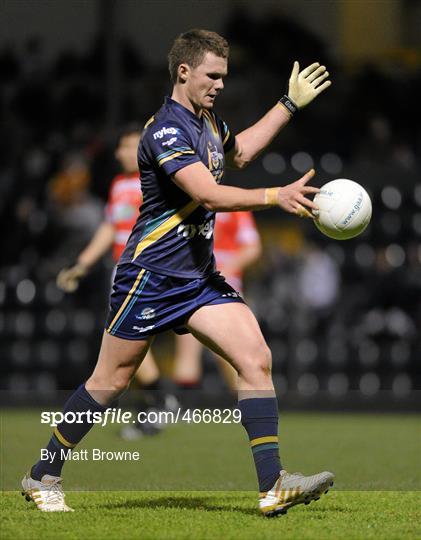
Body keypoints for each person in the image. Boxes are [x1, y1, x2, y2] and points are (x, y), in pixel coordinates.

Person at [22, 29, 334, 516]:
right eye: (213, 75)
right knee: (111, 378)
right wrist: (275, 196)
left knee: (255, 357)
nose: (221, 85)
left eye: (224, 76)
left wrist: (288, 106)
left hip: (197, 279)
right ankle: (43, 474)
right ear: (184, 72)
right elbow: (207, 192)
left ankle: (273, 485)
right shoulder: (165, 129)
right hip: (150, 276)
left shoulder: (207, 120)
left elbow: (241, 153)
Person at [56, 126, 176, 436]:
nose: (119, 153)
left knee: (125, 342)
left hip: (147, 270)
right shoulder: (120, 184)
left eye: (127, 146)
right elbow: (111, 227)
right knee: (127, 343)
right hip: (122, 272)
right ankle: (157, 405)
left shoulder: (160, 182)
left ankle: (161, 402)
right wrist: (82, 263)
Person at [173, 211, 262, 393]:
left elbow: (252, 248)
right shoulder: (194, 204)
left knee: (230, 354)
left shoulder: (232, 206)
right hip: (195, 283)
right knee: (188, 350)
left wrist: (223, 270)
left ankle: (247, 404)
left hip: (220, 286)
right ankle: (186, 409)